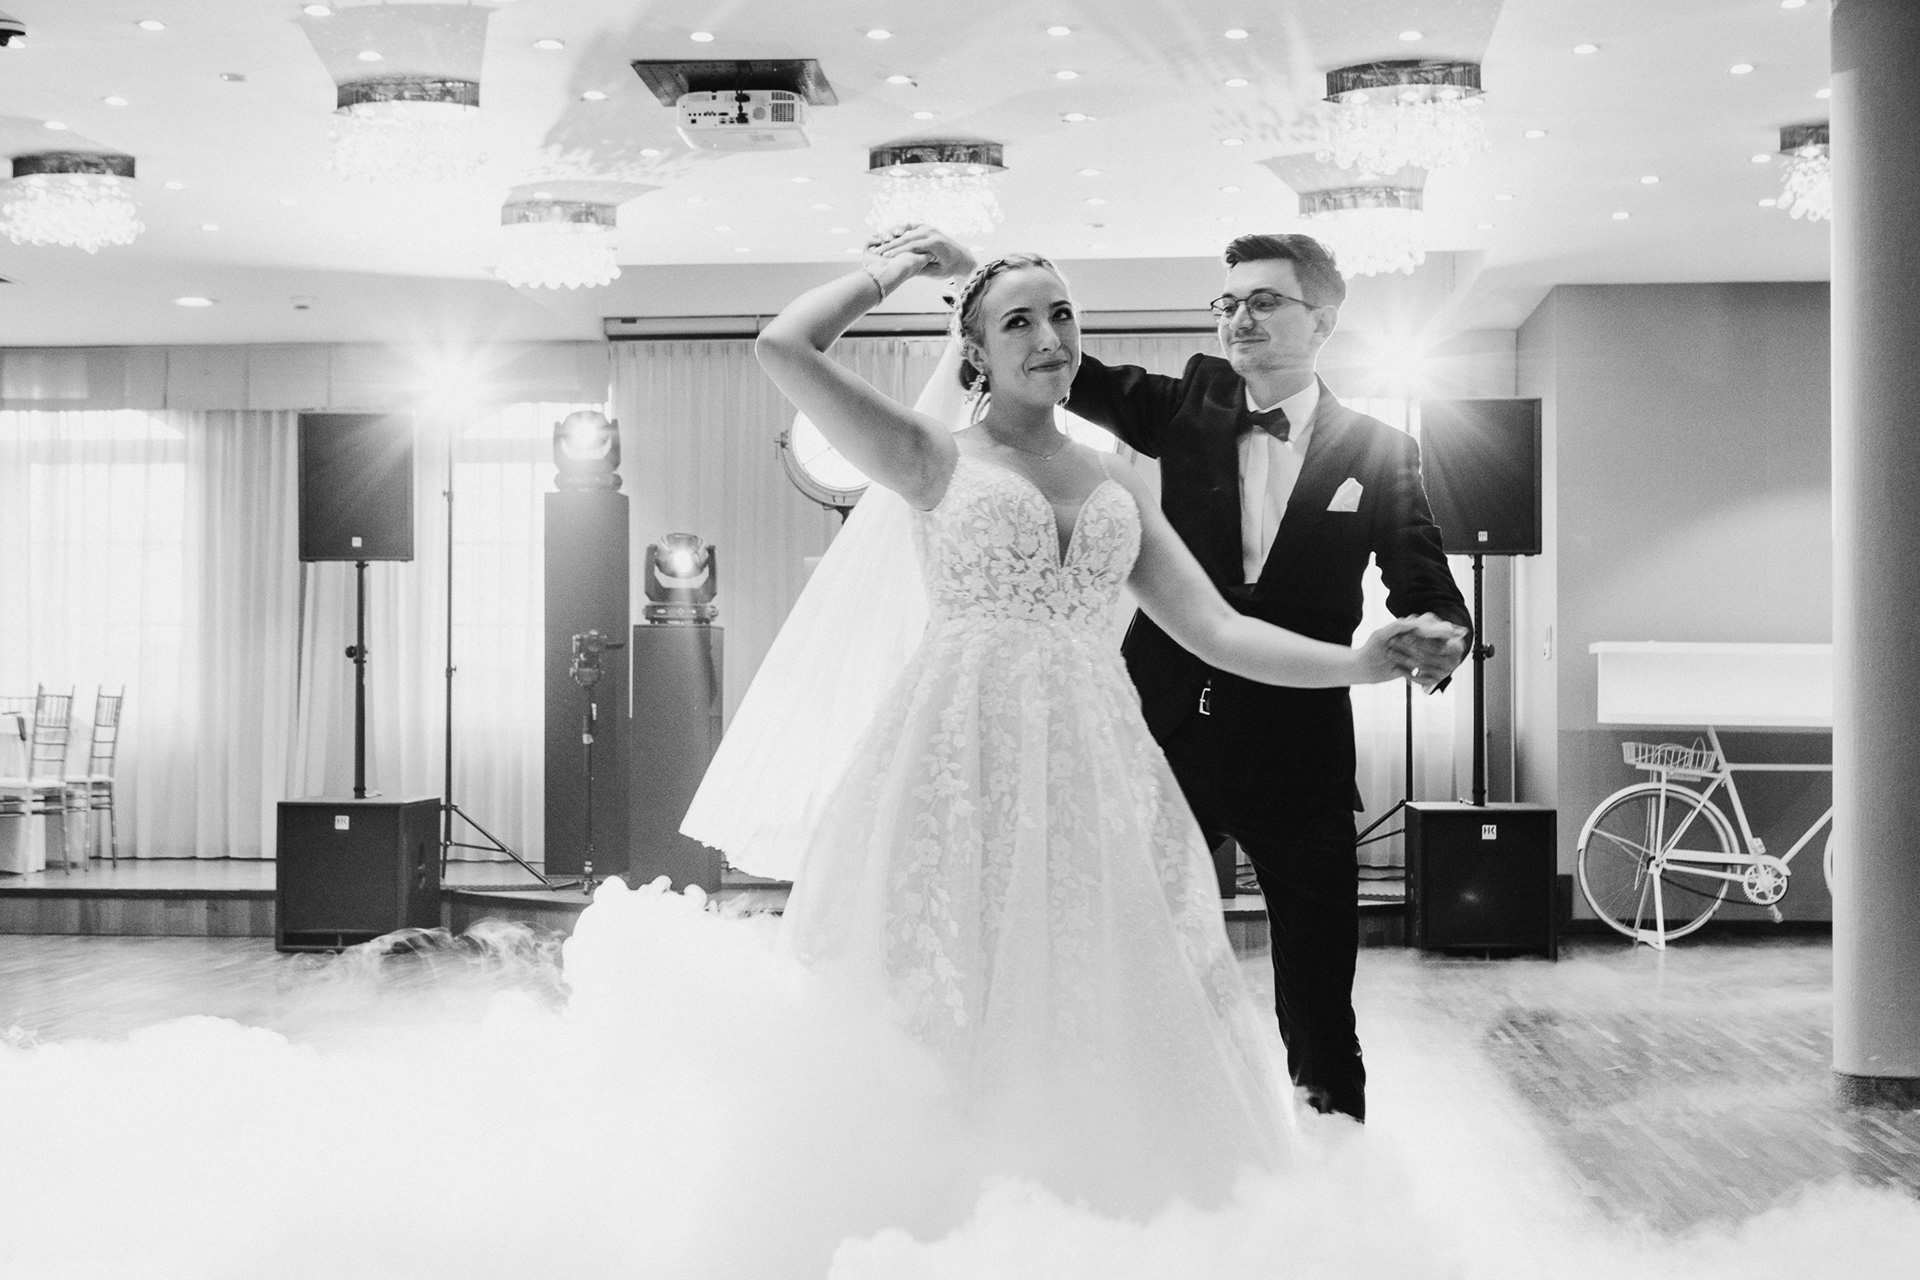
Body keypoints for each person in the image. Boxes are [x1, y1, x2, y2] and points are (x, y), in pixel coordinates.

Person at [710, 233, 1462, 1209]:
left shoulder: (1120, 484)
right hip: (963, 750)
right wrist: (899, 266)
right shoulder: (929, 456)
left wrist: (1362, 662)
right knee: (960, 974)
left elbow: (1221, 631)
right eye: (1018, 321)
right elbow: (783, 345)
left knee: (1096, 977)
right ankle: (939, 1201)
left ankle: (1093, 1197)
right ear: (974, 352)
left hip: (1091, 755)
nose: (1049, 336)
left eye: (1062, 315)